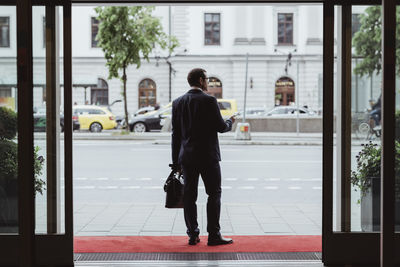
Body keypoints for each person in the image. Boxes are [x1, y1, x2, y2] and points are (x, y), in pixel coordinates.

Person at [171, 68, 236, 246]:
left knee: (189, 197)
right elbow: (221, 127)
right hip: (208, 157)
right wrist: (231, 121)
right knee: (214, 194)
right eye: (206, 79)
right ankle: (214, 235)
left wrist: (175, 162)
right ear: (200, 80)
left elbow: (175, 134)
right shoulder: (209, 100)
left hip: (187, 158)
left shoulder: (178, 102)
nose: (208, 82)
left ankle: (193, 235)